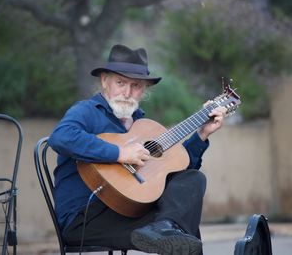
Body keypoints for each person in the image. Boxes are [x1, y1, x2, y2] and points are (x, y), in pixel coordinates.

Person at [48, 44, 227, 255]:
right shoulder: (87, 111)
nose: (127, 92)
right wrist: (119, 153)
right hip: (85, 219)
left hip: (129, 210)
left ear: (144, 90)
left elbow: (176, 169)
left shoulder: (140, 123)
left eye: (135, 85)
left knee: (193, 182)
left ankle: (165, 227)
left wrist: (201, 135)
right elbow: (60, 137)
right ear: (105, 81)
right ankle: (167, 229)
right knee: (184, 231)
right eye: (120, 83)